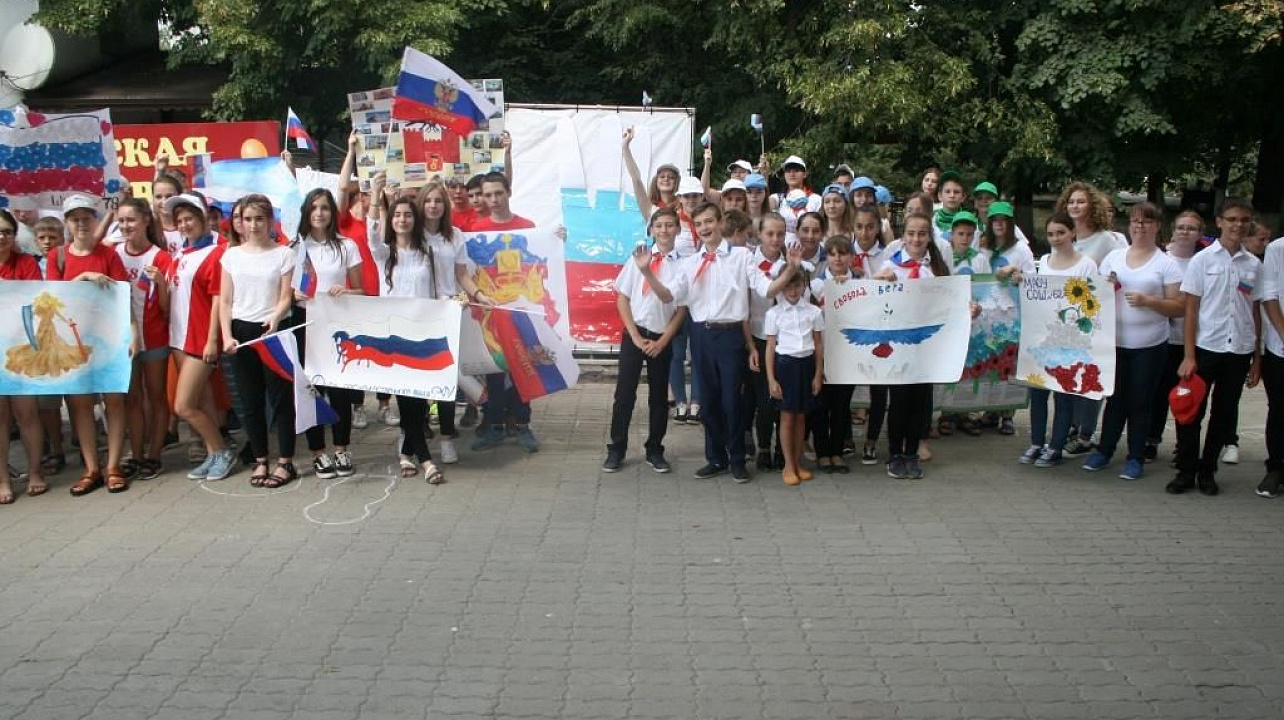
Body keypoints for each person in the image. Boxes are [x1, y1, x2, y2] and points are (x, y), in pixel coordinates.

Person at [46, 195, 140, 495]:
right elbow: (51, 298)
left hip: (109, 338)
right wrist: (84, 276)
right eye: (75, 219)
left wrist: (133, 332)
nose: (81, 224)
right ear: (67, 223)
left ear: (95, 220)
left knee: (114, 401)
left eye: (86, 218)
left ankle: (113, 466)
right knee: (80, 405)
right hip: (72, 342)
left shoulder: (108, 255)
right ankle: (91, 468)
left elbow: (122, 296)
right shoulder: (58, 257)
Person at [1083, 203, 1183, 481]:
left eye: (1147, 222)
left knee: (1140, 401)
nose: (1140, 227)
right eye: (1136, 221)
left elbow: (1178, 307)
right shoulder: (1114, 257)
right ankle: (1104, 451)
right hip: (1115, 343)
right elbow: (1095, 295)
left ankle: (1136, 457)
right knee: (1115, 399)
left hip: (1149, 345)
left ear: (1157, 226)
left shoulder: (1166, 264)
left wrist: (1149, 301)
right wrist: (1107, 284)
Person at [1170, 198, 1263, 496]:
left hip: (1239, 350)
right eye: (1232, 219)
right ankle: (1186, 470)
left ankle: (1207, 470)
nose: (1238, 225)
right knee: (1191, 410)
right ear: (1220, 221)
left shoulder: (1254, 264)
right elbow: (1191, 309)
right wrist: (1188, 355)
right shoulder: (1203, 260)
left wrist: (1257, 358)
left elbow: (1255, 311)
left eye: (1244, 220)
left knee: (1224, 414)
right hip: (1206, 347)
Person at [681, 202, 777, 482]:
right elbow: (671, 295)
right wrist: (647, 272)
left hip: (731, 334)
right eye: (699, 224)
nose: (704, 228)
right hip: (701, 334)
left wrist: (790, 269)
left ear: (720, 222)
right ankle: (715, 458)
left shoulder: (741, 256)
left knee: (732, 400)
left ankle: (737, 458)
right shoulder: (690, 263)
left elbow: (764, 287)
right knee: (708, 401)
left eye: (709, 221)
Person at [457, 172, 546, 453]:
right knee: (493, 370)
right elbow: (466, 272)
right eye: (488, 195)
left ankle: (522, 424)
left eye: (498, 193)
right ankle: (494, 425)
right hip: (489, 313)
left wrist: (556, 239)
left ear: (508, 192)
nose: (493, 199)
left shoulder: (528, 228)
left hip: (521, 312)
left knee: (523, 366)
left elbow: (542, 264)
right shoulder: (475, 231)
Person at [365, 188, 449, 483]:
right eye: (397, 215)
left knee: (419, 399)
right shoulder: (383, 253)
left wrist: (454, 303)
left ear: (415, 220)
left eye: (408, 215)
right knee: (406, 398)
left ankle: (405, 453)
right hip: (393, 337)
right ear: (390, 220)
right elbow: (370, 234)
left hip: (423, 333)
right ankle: (426, 460)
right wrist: (376, 195)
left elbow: (437, 291)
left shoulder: (427, 253)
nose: (402, 220)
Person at [218, 194, 299, 489]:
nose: (253, 225)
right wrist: (226, 335)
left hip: (272, 332)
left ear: (270, 221)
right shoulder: (231, 256)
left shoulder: (284, 254)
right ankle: (260, 458)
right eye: (248, 219)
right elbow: (225, 301)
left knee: (281, 399)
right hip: (240, 332)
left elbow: (286, 296)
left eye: (259, 219)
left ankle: (286, 461)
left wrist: (275, 318)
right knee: (250, 400)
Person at [603, 207, 688, 474]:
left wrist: (663, 341)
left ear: (678, 229)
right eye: (659, 225)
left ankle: (655, 449)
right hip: (635, 335)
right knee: (624, 394)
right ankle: (616, 448)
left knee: (659, 397)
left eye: (669, 225)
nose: (664, 230)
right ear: (651, 229)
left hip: (661, 337)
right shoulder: (639, 257)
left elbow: (677, 306)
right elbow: (622, 298)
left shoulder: (683, 264)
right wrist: (635, 336)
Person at [1013, 213, 1098, 469]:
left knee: (1063, 396)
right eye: (1051, 234)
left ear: (1072, 233)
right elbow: (1038, 294)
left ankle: (1056, 446)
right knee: (1038, 393)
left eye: (1061, 232)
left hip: (1070, 340)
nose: (1056, 238)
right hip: (1044, 337)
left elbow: (1092, 301)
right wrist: (1022, 281)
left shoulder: (1087, 265)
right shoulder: (1044, 262)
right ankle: (1036, 442)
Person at [292, 188, 365, 478]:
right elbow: (283, 289)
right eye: (314, 208)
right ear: (306, 213)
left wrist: (346, 291)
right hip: (305, 324)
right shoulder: (295, 248)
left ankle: (341, 448)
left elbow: (361, 290)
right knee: (311, 389)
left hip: (336, 324)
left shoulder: (347, 245)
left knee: (339, 389)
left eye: (324, 207)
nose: (319, 213)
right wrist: (293, 294)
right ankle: (317, 452)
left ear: (332, 212)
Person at [165, 192, 238, 482]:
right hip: (178, 338)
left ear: (203, 218)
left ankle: (222, 451)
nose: (184, 225)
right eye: (179, 220)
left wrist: (212, 340)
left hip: (199, 340)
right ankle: (213, 454)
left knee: (183, 406)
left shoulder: (217, 252)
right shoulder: (181, 253)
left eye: (189, 219)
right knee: (204, 401)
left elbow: (218, 299)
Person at [873, 212, 951, 479]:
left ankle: (912, 453)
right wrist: (880, 283)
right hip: (899, 347)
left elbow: (949, 304)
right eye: (911, 234)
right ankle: (895, 454)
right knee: (899, 402)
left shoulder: (936, 269)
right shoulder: (890, 266)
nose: (916, 239)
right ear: (903, 237)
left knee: (920, 403)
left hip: (926, 348)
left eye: (922, 234)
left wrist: (968, 310)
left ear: (929, 237)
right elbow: (872, 301)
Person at [1056, 181, 1125, 457]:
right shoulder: (1065, 236)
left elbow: (1117, 272)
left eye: (1081, 201)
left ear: (1092, 206)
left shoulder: (1106, 239)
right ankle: (1072, 427)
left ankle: (1086, 433)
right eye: (1071, 201)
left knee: (1091, 376)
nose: (1075, 206)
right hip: (1068, 320)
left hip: (1094, 319)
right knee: (1070, 374)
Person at [114, 198, 173, 481]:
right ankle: (136, 455)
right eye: (121, 220)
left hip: (154, 337)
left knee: (157, 397)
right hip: (123, 340)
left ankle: (154, 455)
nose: (126, 226)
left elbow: (166, 309)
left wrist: (160, 283)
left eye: (131, 220)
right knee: (132, 399)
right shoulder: (114, 253)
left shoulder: (160, 257)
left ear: (146, 221)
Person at [337, 130, 391, 429]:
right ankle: (357, 406)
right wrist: (350, 151)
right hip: (355, 296)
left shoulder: (382, 219)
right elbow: (342, 186)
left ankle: (384, 404)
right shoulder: (344, 221)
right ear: (360, 194)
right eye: (368, 190)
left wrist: (385, 201)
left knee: (383, 350)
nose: (373, 194)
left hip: (381, 295)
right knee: (357, 352)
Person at [1147, 210, 1202, 463]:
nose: (1185, 232)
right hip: (1163, 338)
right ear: (1173, 230)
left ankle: (1184, 446)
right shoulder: (1161, 259)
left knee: (1188, 396)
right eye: (1181, 227)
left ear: (1199, 234)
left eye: (1191, 228)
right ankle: (1151, 440)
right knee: (1158, 394)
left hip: (1194, 341)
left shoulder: (1202, 261)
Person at [0, 208, 46, 503]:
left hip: (20, 351)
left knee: (27, 414)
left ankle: (35, 472)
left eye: (7, 231)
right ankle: (3, 479)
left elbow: (34, 303)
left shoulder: (27, 263)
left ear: (15, 236)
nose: (1, 237)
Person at [766, 263, 824, 486]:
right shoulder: (774, 313)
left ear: (803, 287)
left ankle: (798, 462)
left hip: (806, 365)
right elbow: (770, 348)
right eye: (788, 286)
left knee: (801, 416)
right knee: (787, 416)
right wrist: (771, 379)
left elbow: (818, 345)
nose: (792, 291)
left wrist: (818, 374)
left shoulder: (814, 312)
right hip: (785, 366)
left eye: (797, 286)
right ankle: (788, 465)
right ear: (781, 287)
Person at [983, 201, 1035, 436]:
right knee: (989, 365)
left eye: (1003, 220)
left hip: (1012, 316)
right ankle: (990, 410)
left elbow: (1033, 280)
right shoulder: (984, 247)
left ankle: (1007, 415)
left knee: (1008, 366)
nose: (999, 224)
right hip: (987, 315)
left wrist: (1018, 275)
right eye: (995, 220)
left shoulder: (1021, 250)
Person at [809, 235, 857, 474]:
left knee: (841, 406)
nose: (838, 258)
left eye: (843, 253)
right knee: (820, 405)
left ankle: (837, 451)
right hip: (822, 353)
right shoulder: (816, 285)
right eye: (833, 254)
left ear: (851, 257)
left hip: (847, 354)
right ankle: (822, 453)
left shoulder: (860, 283)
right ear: (826, 257)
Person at [746, 214, 790, 470]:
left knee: (783, 398)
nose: (775, 239)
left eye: (780, 234)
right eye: (770, 234)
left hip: (787, 341)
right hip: (759, 338)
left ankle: (782, 449)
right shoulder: (749, 264)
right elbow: (743, 308)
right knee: (763, 399)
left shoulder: (791, 264)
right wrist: (750, 346)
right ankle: (763, 446)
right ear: (759, 234)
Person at [849, 206, 890, 464]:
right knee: (844, 386)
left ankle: (872, 440)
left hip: (879, 328)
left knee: (879, 388)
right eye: (859, 227)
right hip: (851, 329)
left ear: (878, 228)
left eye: (870, 227)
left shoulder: (888, 256)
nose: (864, 233)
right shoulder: (844, 251)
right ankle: (845, 438)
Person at [1258, 234, 1284, 497]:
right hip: (1279, 346)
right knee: (1279, 409)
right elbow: (1269, 296)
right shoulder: (1278, 249)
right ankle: (1275, 468)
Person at [623, 127, 680, 220]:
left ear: (677, 182)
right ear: (655, 181)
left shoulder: (684, 206)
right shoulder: (650, 209)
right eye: (662, 176)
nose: (666, 179)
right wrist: (625, 147)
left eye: (671, 177)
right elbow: (636, 179)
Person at [771, 155, 822, 244]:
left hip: (810, 248)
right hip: (782, 249)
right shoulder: (777, 198)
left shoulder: (817, 199)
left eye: (796, 170)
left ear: (805, 174)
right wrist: (764, 175)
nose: (792, 174)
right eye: (788, 171)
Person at [932, 171, 968, 246]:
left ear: (963, 197)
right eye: (947, 191)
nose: (952, 195)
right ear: (940, 196)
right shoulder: (930, 220)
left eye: (956, 192)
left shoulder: (970, 222)